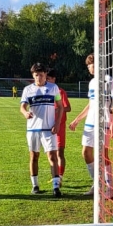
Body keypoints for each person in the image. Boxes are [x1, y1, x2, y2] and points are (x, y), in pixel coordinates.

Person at [69, 53, 113, 198]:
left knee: (103, 155)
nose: (88, 68)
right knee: (86, 152)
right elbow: (90, 104)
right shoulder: (92, 83)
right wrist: (77, 120)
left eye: (89, 65)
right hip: (90, 123)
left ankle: (110, 188)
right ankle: (97, 183)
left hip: (103, 122)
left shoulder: (108, 80)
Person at [20, 63, 64, 196]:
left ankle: (56, 187)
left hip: (49, 129)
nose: (39, 77)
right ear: (33, 76)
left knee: (52, 156)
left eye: (41, 74)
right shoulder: (28, 90)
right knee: (34, 156)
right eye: (36, 75)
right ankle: (35, 186)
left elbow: (60, 106)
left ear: (46, 75)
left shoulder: (53, 88)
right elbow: (22, 107)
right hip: (33, 129)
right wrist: (25, 113)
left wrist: (57, 123)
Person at [46, 69, 71, 183]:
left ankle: (60, 176)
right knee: (51, 153)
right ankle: (55, 176)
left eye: (48, 79)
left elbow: (68, 108)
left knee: (60, 152)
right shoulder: (45, 91)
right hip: (48, 127)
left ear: (54, 79)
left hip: (60, 127)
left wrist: (56, 109)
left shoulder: (60, 92)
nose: (46, 81)